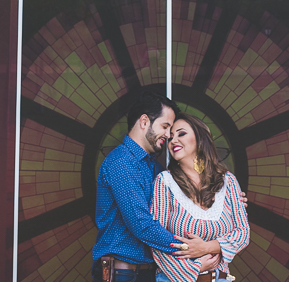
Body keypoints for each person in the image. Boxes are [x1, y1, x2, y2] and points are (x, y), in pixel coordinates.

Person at [92, 91, 218, 282]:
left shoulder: (154, 168)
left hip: (150, 272)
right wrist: (189, 250)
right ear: (144, 121)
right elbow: (141, 225)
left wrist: (223, 197)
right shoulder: (121, 162)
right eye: (165, 127)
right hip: (122, 272)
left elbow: (184, 207)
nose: (168, 136)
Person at [151, 114, 250, 282]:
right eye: (171, 137)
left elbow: (243, 233)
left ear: (200, 138)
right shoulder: (164, 182)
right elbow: (155, 238)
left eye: (181, 133)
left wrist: (207, 247)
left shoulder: (228, 181)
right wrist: (193, 268)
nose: (173, 141)